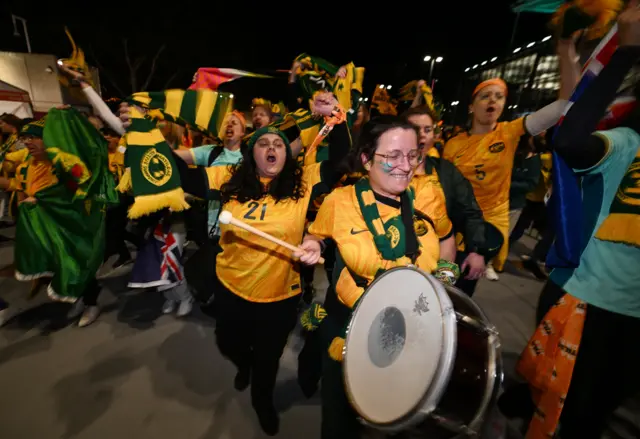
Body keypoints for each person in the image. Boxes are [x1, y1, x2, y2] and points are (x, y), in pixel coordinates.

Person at [175, 92, 350, 436]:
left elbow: (344, 158)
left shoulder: (304, 182)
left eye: (279, 144)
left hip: (280, 296)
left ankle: (262, 400)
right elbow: (181, 175)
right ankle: (244, 363)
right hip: (231, 287)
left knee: (269, 358)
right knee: (229, 344)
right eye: (263, 143)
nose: (272, 148)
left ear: (287, 153)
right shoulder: (227, 177)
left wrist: (336, 115)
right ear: (251, 152)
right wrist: (145, 134)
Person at [502, 6, 640, 438]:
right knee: (558, 404)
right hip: (579, 298)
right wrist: (625, 52)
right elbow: (570, 128)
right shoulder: (628, 144)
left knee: (587, 416)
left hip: (630, 324)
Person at [300, 117, 456, 439]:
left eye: (413, 155)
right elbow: (316, 235)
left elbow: (447, 237)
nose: (405, 165)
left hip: (411, 322)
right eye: (393, 156)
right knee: (338, 417)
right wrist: (312, 245)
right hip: (348, 321)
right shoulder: (339, 201)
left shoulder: (428, 196)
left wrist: (443, 281)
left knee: (394, 407)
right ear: (367, 160)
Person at [443, 39, 580, 282]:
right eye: (485, 96)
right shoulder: (453, 144)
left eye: (499, 96)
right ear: (472, 107)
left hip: (490, 223)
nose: (492, 101)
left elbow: (563, 105)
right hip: (456, 221)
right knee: (443, 279)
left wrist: (566, 55)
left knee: (466, 282)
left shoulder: (510, 132)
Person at [404, 106, 497, 295]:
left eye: (427, 130)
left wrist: (476, 251)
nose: (421, 135)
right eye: (414, 129)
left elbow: (470, 212)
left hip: (439, 263)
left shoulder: (446, 172)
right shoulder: (386, 172)